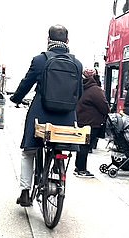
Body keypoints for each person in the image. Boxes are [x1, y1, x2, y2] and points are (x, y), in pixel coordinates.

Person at [9, 24, 83, 207]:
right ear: (67, 41)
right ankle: (59, 179)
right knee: (60, 148)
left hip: (40, 114)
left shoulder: (40, 60)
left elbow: (26, 84)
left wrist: (16, 99)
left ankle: (25, 192)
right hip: (66, 118)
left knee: (29, 152)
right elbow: (79, 94)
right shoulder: (77, 64)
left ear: (48, 40)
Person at [75, 68, 108, 178]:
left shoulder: (82, 87)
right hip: (92, 123)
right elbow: (104, 106)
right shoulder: (95, 90)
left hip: (82, 120)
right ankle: (81, 169)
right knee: (85, 145)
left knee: (82, 145)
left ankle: (78, 167)